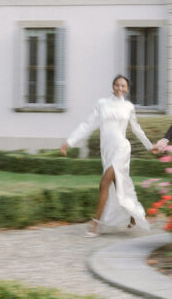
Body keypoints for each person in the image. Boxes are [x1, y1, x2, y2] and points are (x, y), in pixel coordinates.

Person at [60, 75, 153, 237]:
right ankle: (132, 215)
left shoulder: (129, 107)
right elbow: (88, 124)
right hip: (107, 150)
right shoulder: (102, 104)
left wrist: (150, 146)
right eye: (117, 85)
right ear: (113, 86)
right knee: (120, 184)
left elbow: (137, 129)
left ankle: (96, 224)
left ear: (127, 89)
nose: (119, 88)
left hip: (121, 149)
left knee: (104, 183)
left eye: (123, 86)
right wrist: (70, 141)